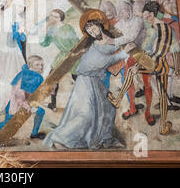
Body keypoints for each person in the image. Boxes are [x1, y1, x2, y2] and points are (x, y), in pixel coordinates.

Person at [43, 9, 127, 150]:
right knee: (85, 113)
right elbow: (101, 61)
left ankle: (105, 138)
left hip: (96, 80)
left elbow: (122, 44)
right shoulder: (92, 44)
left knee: (108, 109)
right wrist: (121, 55)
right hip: (85, 80)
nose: (93, 32)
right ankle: (60, 139)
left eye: (94, 28)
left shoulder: (111, 40)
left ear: (100, 26)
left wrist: (127, 49)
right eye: (90, 31)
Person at [108, 1, 174, 135]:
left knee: (160, 93)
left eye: (145, 15)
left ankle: (160, 123)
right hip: (144, 59)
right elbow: (146, 47)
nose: (143, 17)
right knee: (129, 72)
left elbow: (159, 52)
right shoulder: (151, 27)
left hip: (157, 63)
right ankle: (121, 101)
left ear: (150, 14)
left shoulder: (163, 28)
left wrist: (139, 64)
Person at [113, 0, 154, 125]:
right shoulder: (118, 24)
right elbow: (116, 39)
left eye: (124, 9)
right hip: (128, 56)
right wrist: (117, 42)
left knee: (147, 83)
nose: (121, 12)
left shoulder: (138, 21)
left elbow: (131, 37)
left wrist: (116, 41)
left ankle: (148, 111)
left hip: (143, 54)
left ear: (130, 10)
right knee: (128, 81)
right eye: (119, 10)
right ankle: (132, 108)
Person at [0, 55, 46, 140]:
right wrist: (25, 104)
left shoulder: (37, 77)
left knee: (41, 112)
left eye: (41, 65)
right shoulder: (24, 75)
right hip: (15, 104)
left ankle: (34, 133)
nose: (40, 67)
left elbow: (35, 92)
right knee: (7, 123)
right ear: (30, 65)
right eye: (37, 65)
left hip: (27, 103)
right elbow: (17, 94)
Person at [0, 0, 27, 113]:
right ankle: (3, 105)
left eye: (22, 7)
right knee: (6, 77)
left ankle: (15, 104)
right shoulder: (7, 15)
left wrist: (20, 35)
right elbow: (2, 36)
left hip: (15, 50)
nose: (20, 8)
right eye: (18, 6)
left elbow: (21, 35)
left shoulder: (18, 17)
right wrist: (15, 34)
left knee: (18, 75)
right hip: (6, 52)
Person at [39, 9, 79, 111]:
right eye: (51, 15)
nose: (51, 18)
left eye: (55, 16)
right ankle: (53, 104)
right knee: (52, 80)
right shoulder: (51, 29)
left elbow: (76, 42)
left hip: (72, 56)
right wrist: (44, 32)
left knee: (79, 80)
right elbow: (44, 44)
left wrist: (73, 55)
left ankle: (84, 104)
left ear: (60, 18)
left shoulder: (67, 28)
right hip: (62, 56)